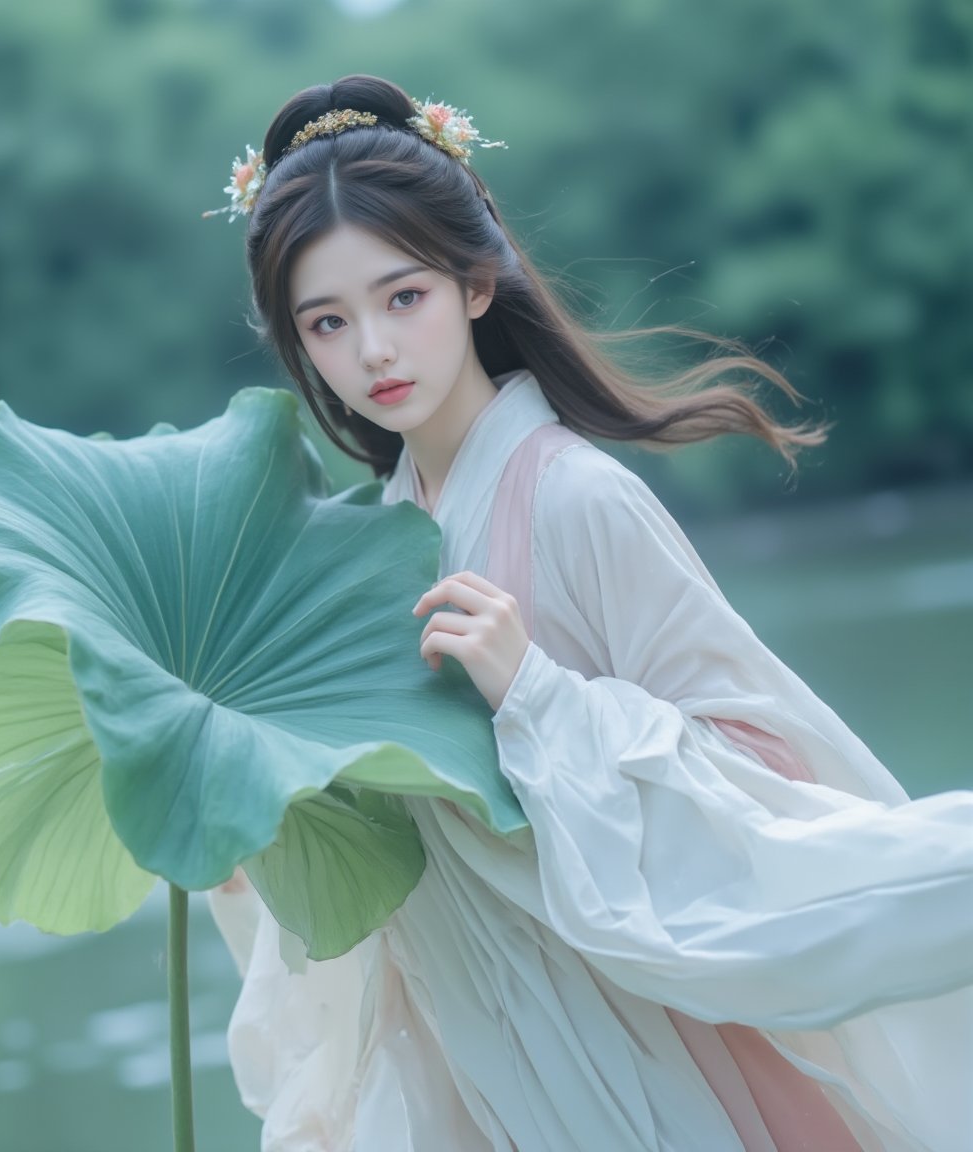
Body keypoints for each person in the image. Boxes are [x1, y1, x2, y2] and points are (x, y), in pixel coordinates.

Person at [205, 75, 973, 1151]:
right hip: (479, 1052)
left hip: (643, 1050)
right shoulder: (361, 553)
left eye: (403, 298)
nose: (371, 350)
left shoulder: (575, 496)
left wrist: (542, 700)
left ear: (476, 282)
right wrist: (255, 838)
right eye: (327, 321)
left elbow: (767, 763)